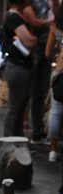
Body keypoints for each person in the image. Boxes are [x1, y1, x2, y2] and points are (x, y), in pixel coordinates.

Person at [3, 1, 37, 137]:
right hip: (17, 66)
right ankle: (8, 143)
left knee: (20, 107)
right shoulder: (13, 18)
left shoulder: (18, 17)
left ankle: (17, 140)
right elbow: (29, 41)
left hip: (21, 65)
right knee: (14, 107)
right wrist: (34, 39)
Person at [23, 1, 54, 145]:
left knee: (40, 92)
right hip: (36, 48)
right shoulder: (30, 2)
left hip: (45, 45)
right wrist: (51, 21)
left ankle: (37, 132)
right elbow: (33, 21)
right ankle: (27, 133)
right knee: (33, 91)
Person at [45, 6, 63, 162]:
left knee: (56, 112)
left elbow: (47, 52)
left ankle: (53, 151)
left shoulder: (56, 31)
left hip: (59, 72)